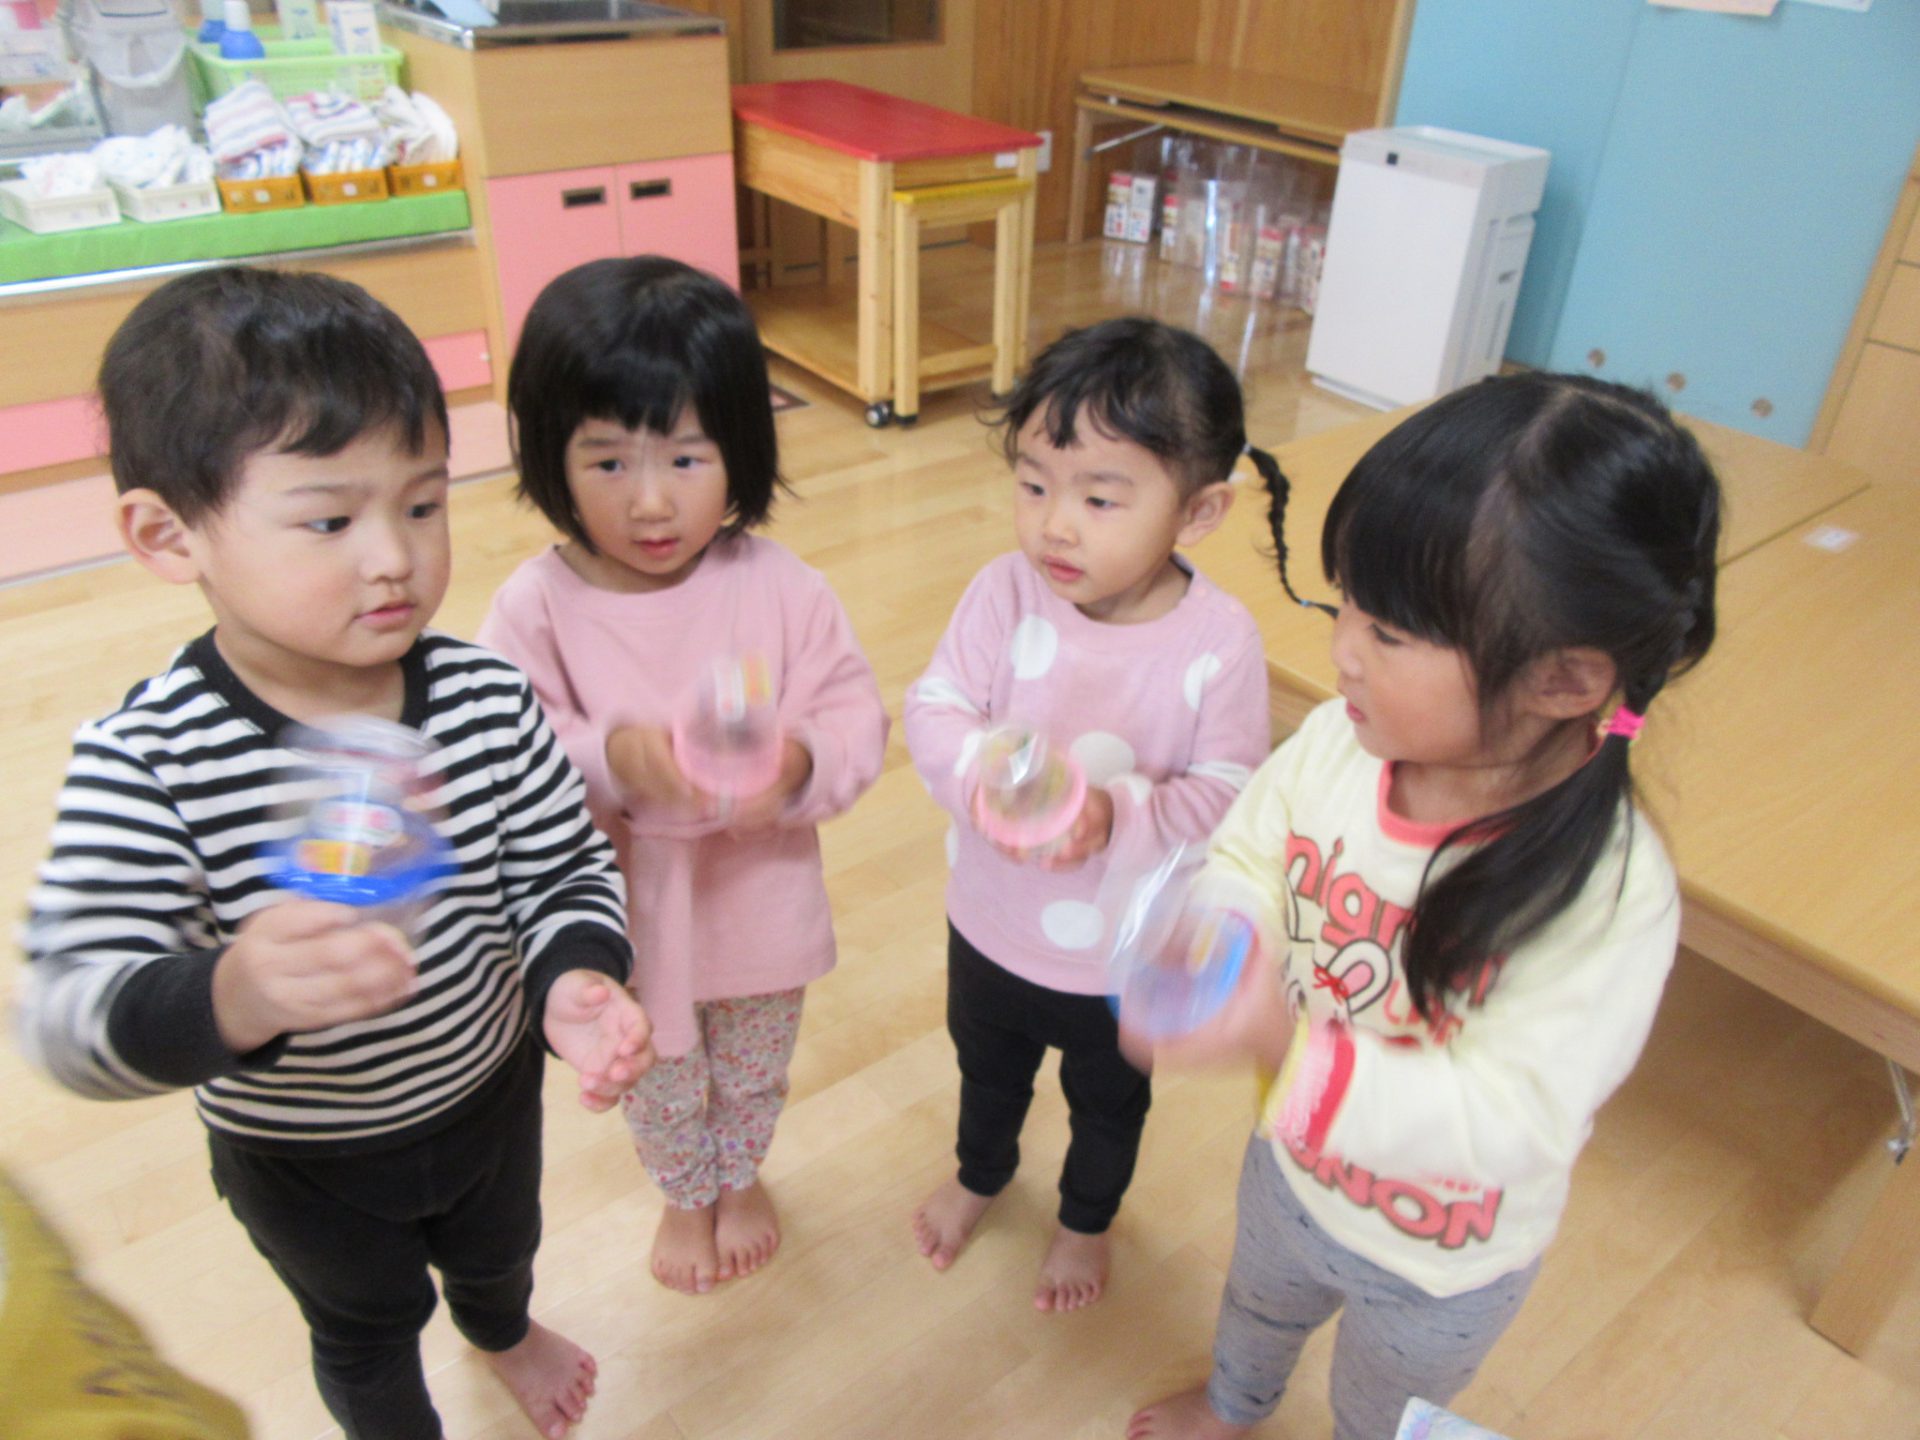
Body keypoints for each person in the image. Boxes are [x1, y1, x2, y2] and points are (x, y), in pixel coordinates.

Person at [17, 266, 654, 1440]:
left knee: (501, 1251)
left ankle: (502, 1330)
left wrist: (573, 973)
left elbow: (565, 867)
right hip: (302, 1156)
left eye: (423, 505)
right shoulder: (150, 759)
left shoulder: (485, 696)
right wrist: (233, 990)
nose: (394, 558)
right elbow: (66, 1013)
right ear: (168, 534)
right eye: (329, 520)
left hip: (488, 1091)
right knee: (363, 1331)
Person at [1124, 372, 1721, 1440]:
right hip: (1291, 1172)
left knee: (1380, 1407)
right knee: (1257, 1305)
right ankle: (1233, 1403)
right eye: (1346, 602)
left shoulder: (1611, 894)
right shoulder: (1339, 746)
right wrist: (1226, 934)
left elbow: (1512, 1118)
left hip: (1443, 1255)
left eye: (1391, 632)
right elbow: (1253, 851)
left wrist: (1283, 1048)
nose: (1342, 649)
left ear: (1565, 680)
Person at [479, 256, 888, 1298]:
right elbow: (501, 755)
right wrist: (610, 757)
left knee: (751, 1070)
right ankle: (684, 1189)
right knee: (658, 1082)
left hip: (759, 902)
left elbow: (855, 718)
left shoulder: (782, 587)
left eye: (688, 457)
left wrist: (797, 764)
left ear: (742, 448)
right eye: (608, 461)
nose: (652, 501)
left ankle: (740, 1174)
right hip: (624, 917)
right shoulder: (535, 608)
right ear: (549, 457)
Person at [903, 317, 1274, 1313]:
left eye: (1099, 498)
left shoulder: (1219, 642)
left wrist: (1116, 816)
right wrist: (979, 776)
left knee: (1108, 1105)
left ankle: (1085, 1220)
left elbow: (1231, 793)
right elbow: (936, 706)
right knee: (988, 1072)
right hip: (991, 923)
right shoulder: (1004, 593)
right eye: (1034, 485)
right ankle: (983, 1173)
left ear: (1199, 510)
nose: (1054, 526)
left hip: (1123, 954)